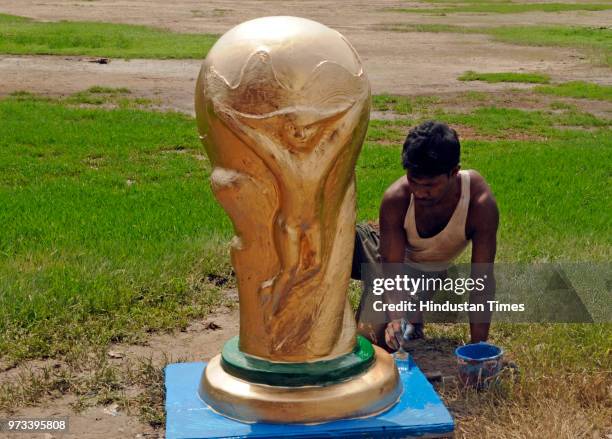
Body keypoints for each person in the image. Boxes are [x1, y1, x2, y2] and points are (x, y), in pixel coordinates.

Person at [351, 120, 499, 351]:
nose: (420, 192)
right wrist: (395, 319)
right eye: (413, 181)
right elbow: (391, 272)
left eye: (430, 185)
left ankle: (413, 314)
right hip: (375, 247)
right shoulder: (396, 198)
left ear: (454, 172)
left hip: (421, 270)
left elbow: (482, 282)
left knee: (375, 342)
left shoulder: (479, 205)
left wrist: (478, 347)